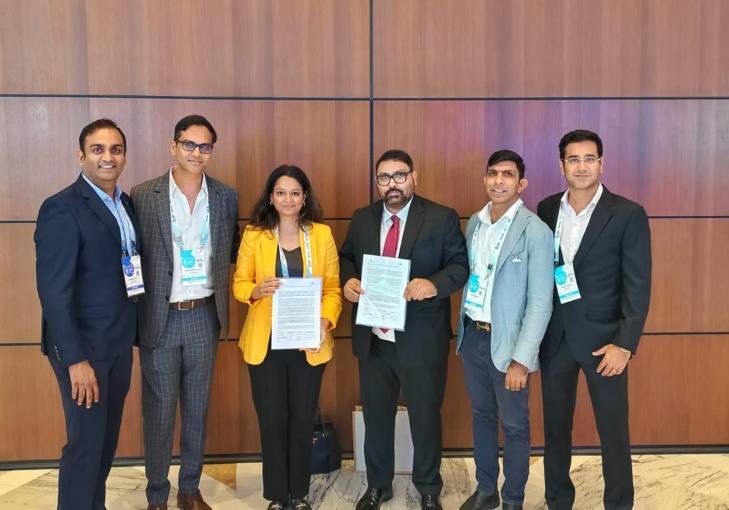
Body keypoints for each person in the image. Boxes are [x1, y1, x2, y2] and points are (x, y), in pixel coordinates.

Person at [340, 149, 468, 510]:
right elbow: (346, 257)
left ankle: (428, 488)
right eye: (384, 177)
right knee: (376, 417)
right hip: (374, 338)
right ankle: (378, 485)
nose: (392, 184)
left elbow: (459, 266)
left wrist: (433, 284)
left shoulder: (441, 217)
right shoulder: (363, 218)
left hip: (420, 339)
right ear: (377, 182)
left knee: (425, 417)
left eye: (399, 175)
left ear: (414, 176)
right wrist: (348, 280)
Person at [537, 130, 651, 510]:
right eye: (574, 159)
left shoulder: (628, 213)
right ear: (562, 165)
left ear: (601, 163)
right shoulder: (547, 208)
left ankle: (618, 503)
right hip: (555, 339)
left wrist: (624, 344)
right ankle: (558, 501)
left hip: (606, 343)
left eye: (589, 158)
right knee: (555, 430)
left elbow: (638, 285)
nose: (582, 166)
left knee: (613, 432)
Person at [131, 115, 240, 510]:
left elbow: (231, 250)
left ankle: (190, 490)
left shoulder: (225, 197)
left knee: (197, 408)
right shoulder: (143, 195)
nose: (197, 152)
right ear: (173, 146)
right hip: (159, 317)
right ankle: (157, 495)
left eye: (205, 146)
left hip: (204, 315)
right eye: (189, 144)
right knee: (159, 412)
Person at [35, 118, 141, 510]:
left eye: (115, 149)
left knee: (105, 442)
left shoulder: (124, 203)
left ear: (124, 156)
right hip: (84, 351)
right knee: (85, 445)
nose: (107, 157)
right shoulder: (61, 208)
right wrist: (75, 360)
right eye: (98, 149)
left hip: (117, 343)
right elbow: (53, 292)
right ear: (81, 156)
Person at [232, 165, 342, 510]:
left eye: (295, 193)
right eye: (281, 193)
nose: (288, 199)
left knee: (301, 419)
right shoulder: (255, 234)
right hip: (265, 343)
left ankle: (300, 492)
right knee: (272, 420)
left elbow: (333, 290)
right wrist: (255, 290)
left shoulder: (321, 234)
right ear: (271, 197)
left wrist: (324, 322)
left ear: (305, 197)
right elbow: (239, 284)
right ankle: (278, 496)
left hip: (308, 340)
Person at [456, 150, 553, 510]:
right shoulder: (475, 223)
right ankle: (486, 490)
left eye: (507, 174)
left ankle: (513, 499)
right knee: (481, 417)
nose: (499, 180)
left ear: (521, 183)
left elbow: (540, 302)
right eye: (493, 173)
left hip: (510, 346)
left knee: (514, 426)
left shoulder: (536, 231)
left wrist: (522, 360)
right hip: (473, 337)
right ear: (485, 179)